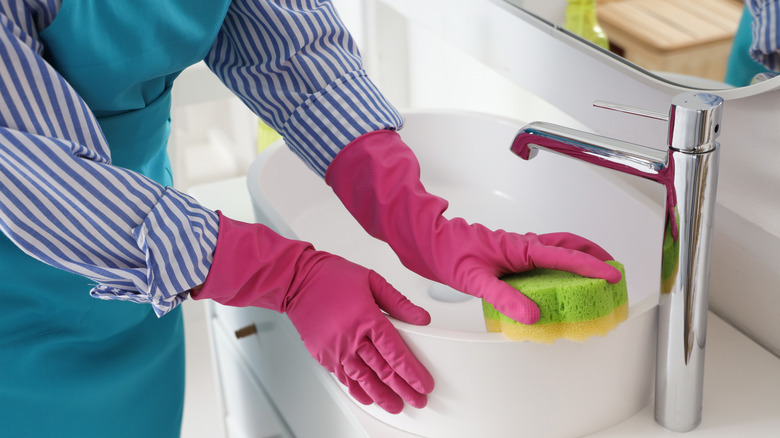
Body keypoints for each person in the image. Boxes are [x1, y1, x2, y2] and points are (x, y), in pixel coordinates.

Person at [0, 1, 621, 436]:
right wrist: (285, 276)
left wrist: (416, 220)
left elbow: (290, 46)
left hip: (134, 289)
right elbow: (28, 171)